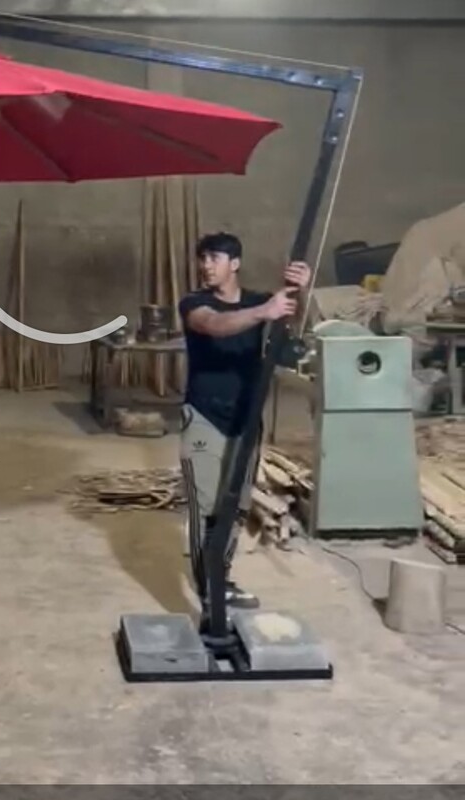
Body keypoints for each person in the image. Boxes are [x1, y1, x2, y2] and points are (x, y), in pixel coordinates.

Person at [178, 232, 311, 613]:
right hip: (204, 417)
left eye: (214, 258)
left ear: (234, 263)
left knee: (235, 506)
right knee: (205, 507)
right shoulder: (195, 303)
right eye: (203, 258)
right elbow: (214, 325)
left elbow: (288, 320)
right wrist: (264, 312)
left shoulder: (257, 300)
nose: (206, 265)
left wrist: (298, 292)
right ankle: (207, 587)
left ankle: (220, 579)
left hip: (246, 419)